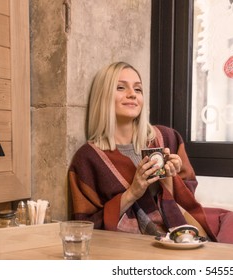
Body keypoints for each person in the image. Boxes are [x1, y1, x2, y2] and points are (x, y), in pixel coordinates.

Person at [68, 61, 216, 241]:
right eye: (121, 87)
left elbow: (189, 195)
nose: (132, 95)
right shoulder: (88, 159)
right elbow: (84, 226)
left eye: (138, 90)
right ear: (103, 96)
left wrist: (171, 178)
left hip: (183, 241)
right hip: (129, 250)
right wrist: (133, 192)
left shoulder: (167, 138)